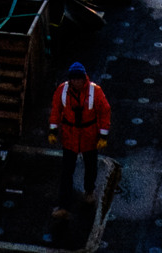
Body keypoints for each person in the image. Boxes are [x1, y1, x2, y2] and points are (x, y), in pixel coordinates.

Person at [48, 62, 111, 216]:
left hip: (89, 136)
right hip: (70, 137)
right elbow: (56, 110)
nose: (76, 82)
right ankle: (63, 206)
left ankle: (89, 191)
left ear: (84, 79)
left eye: (79, 79)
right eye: (74, 79)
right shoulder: (62, 90)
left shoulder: (95, 91)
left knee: (91, 167)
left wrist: (103, 135)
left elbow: (105, 111)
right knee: (66, 172)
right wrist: (53, 131)